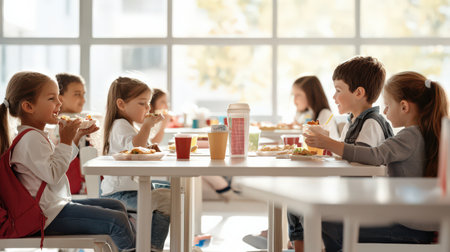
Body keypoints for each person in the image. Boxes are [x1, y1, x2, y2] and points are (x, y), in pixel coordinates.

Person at [304, 71, 448, 251]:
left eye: (387, 105)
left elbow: (374, 155)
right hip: (420, 226)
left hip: (410, 229)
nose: (385, 111)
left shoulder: (410, 135)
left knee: (324, 221)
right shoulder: (427, 133)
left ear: (404, 107)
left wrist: (328, 143)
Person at [0, 71, 135, 251]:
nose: (59, 103)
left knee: (116, 206)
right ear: (28, 106)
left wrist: (74, 138)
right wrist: (64, 141)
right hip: (46, 216)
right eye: (51, 99)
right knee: (117, 221)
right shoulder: (30, 139)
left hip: (54, 208)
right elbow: (53, 174)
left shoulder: (35, 135)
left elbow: (55, 164)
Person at [288, 56, 394, 252]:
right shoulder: (353, 121)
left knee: (308, 210)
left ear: (359, 92)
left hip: (362, 201)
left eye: (338, 90)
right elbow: (344, 157)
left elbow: (360, 161)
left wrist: (327, 144)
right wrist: (325, 147)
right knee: (294, 204)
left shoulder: (371, 123)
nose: (334, 96)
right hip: (349, 193)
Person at [101, 77, 171, 252]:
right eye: (142, 103)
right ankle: (152, 248)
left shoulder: (128, 126)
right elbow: (135, 148)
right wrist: (147, 126)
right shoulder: (119, 125)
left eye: (148, 103)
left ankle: (150, 245)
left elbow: (139, 150)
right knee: (168, 199)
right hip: (118, 195)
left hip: (130, 190)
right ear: (121, 104)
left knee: (171, 191)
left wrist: (151, 148)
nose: (148, 108)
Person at [53, 73, 89, 194]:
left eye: (83, 94)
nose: (83, 100)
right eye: (77, 94)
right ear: (60, 98)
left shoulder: (81, 118)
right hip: (71, 178)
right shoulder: (59, 122)